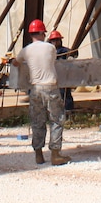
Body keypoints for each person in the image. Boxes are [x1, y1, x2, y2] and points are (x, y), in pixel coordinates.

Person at [12, 19, 71, 166]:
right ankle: (56, 154)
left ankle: (38, 154)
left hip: (35, 89)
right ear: (41, 33)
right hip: (50, 87)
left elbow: (15, 63)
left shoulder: (25, 50)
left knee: (37, 121)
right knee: (57, 119)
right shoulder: (50, 48)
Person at [47, 30, 78, 113]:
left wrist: (71, 55)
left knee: (65, 95)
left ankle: (68, 112)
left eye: (57, 40)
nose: (55, 42)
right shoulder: (49, 52)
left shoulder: (64, 51)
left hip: (63, 78)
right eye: (54, 40)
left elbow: (74, 53)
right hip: (52, 78)